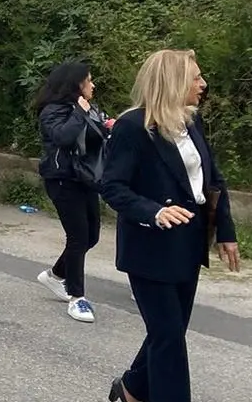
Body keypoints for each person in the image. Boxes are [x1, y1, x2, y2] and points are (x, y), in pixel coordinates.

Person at [101, 50, 239, 402]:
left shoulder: (191, 122)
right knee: (169, 340)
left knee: (169, 332)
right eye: (196, 77)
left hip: (188, 246)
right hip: (149, 249)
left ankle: (130, 389)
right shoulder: (133, 127)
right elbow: (113, 187)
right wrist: (154, 212)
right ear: (173, 81)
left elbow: (214, 180)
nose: (203, 84)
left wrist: (226, 232)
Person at [33, 61, 112, 323]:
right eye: (88, 80)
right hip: (62, 179)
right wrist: (80, 111)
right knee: (78, 237)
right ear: (76, 84)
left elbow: (95, 136)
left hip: (86, 178)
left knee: (92, 237)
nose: (93, 84)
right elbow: (64, 138)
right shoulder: (52, 111)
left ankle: (55, 275)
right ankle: (77, 297)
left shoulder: (88, 108)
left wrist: (107, 126)